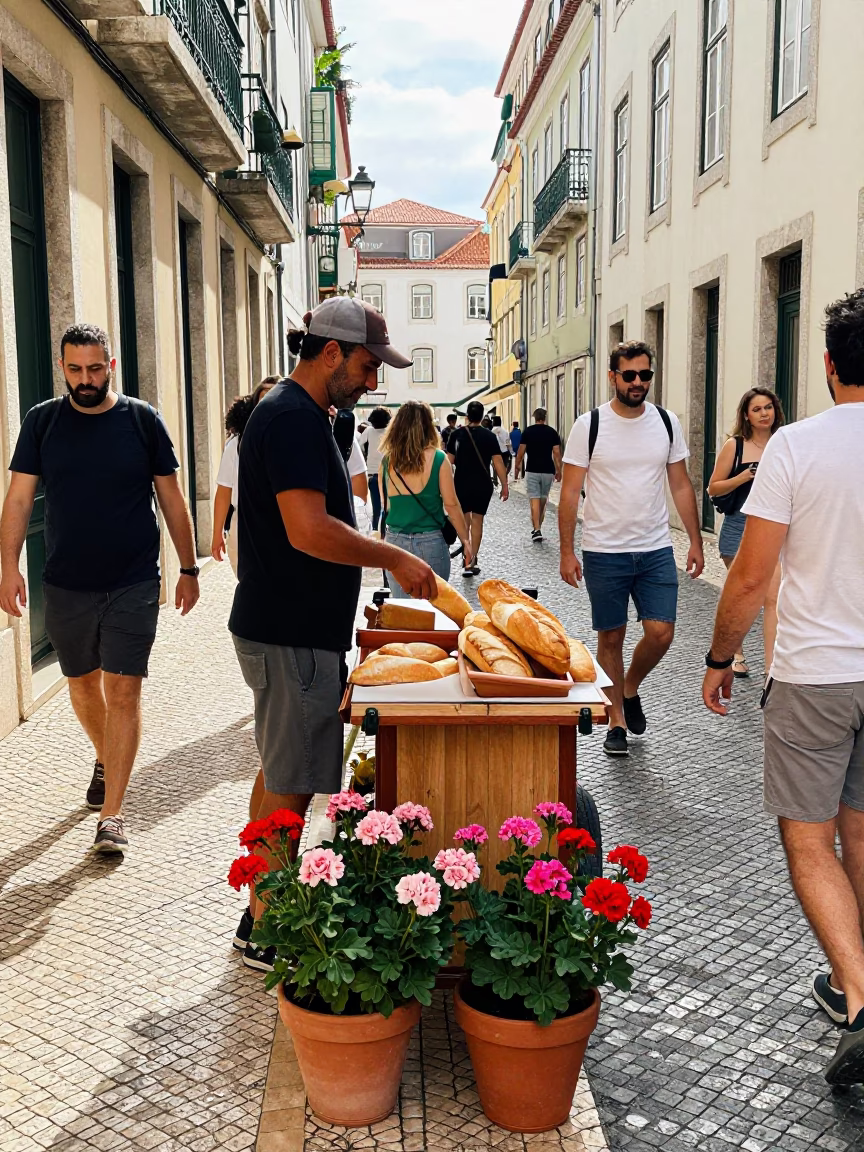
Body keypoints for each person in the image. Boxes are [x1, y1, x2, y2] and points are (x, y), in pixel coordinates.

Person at [228, 297, 437, 970]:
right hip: (289, 630)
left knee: (278, 771)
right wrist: (394, 555)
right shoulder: (291, 417)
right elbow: (308, 530)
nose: (373, 380)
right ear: (330, 353)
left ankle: (257, 905)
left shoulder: (306, 415)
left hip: (287, 626)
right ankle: (266, 929)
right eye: (368, 365)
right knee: (290, 781)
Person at [702, 289, 864, 1086]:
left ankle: (860, 1001)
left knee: (810, 840)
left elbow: (751, 575)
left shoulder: (798, 449)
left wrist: (719, 657)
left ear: (829, 364)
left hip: (812, 675)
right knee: (863, 835)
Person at [0, 323, 199, 855]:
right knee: (82, 685)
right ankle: (106, 756)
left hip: (133, 580)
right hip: (65, 584)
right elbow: (18, 500)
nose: (85, 379)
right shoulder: (42, 423)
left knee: (125, 690)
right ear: (61, 368)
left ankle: (112, 815)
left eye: (95, 368)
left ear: (111, 364)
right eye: (75, 369)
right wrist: (7, 567)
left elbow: (172, 499)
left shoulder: (141, 421)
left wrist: (189, 566)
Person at [558, 340, 704, 758]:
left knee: (661, 633)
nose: (638, 382)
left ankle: (629, 685)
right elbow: (570, 492)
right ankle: (616, 720)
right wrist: (567, 551)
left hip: (656, 547)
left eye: (645, 375)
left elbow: (679, 482)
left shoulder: (666, 421)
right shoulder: (590, 425)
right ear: (613, 377)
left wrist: (694, 539)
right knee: (611, 636)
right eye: (630, 375)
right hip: (604, 549)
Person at [707, 388, 784, 677]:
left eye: (768, 407)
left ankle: (771, 668)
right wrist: (742, 476)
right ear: (746, 416)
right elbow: (713, 487)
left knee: (772, 597)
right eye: (757, 409)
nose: (764, 413)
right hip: (739, 528)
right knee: (741, 594)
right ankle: (736, 653)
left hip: (773, 530)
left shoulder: (784, 442)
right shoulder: (735, 446)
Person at [379, 400, 473, 596]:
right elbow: (451, 504)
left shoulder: (387, 461)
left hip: (395, 543)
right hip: (431, 542)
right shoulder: (439, 459)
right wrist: (466, 540)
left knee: (403, 611)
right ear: (428, 426)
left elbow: (385, 504)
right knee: (435, 611)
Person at [212, 378, 279, 574]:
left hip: (284, 523)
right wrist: (217, 534)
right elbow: (224, 490)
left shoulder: (294, 443)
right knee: (251, 585)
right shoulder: (237, 444)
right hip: (246, 525)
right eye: (263, 401)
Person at [446, 399, 509, 578]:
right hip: (483, 483)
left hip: (461, 482)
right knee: (478, 521)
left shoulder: (456, 435)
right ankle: (473, 558)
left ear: (467, 416)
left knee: (464, 521)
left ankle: (466, 559)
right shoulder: (489, 436)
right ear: (482, 417)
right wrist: (504, 485)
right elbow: (497, 462)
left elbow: (448, 462)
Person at [514, 408, 562, 542]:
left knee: (534, 500)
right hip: (548, 471)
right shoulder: (552, 432)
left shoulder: (528, 432)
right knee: (543, 500)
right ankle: (537, 528)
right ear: (545, 418)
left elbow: (521, 452)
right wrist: (559, 470)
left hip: (532, 469)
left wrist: (517, 467)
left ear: (534, 418)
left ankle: (537, 530)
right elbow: (557, 454)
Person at [359, 406, 391, 533]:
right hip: (389, 473)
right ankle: (387, 532)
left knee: (376, 508)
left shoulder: (368, 431)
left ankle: (375, 531)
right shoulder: (390, 431)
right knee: (388, 507)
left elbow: (361, 447)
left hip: (373, 474)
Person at [492, 416, 513, 483]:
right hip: (504, 452)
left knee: (495, 466)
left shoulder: (491, 432)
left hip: (495, 452)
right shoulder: (505, 431)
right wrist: (511, 451)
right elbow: (508, 443)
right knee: (504, 467)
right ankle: (504, 481)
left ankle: (495, 479)